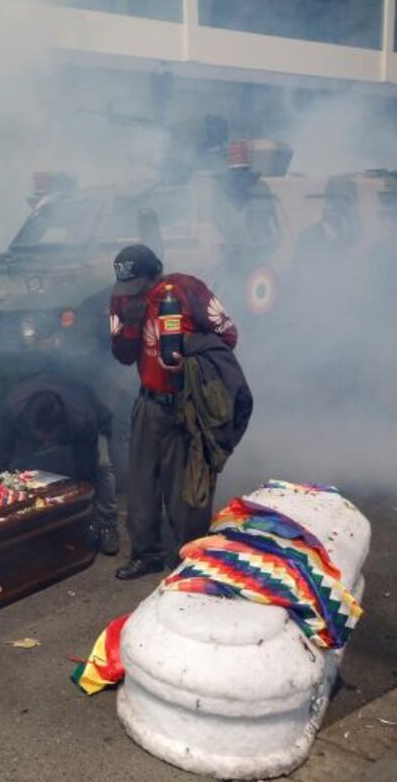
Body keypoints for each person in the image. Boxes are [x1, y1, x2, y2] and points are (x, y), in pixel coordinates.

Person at [108, 243, 238, 580]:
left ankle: (189, 559)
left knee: (186, 491)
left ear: (156, 272)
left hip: (186, 405)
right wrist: (132, 326)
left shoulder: (187, 290)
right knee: (141, 487)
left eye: (140, 285)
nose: (134, 293)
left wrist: (188, 354)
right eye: (127, 287)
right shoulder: (122, 301)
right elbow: (121, 355)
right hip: (148, 404)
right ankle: (145, 554)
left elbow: (228, 335)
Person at [0, 375, 121, 555]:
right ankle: (33, 522)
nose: (44, 439)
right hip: (34, 420)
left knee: (102, 466)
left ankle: (107, 524)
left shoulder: (80, 418)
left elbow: (86, 468)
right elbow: (1, 450)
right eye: (40, 433)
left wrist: (84, 502)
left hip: (96, 422)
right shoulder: (12, 409)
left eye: (47, 435)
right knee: (21, 468)